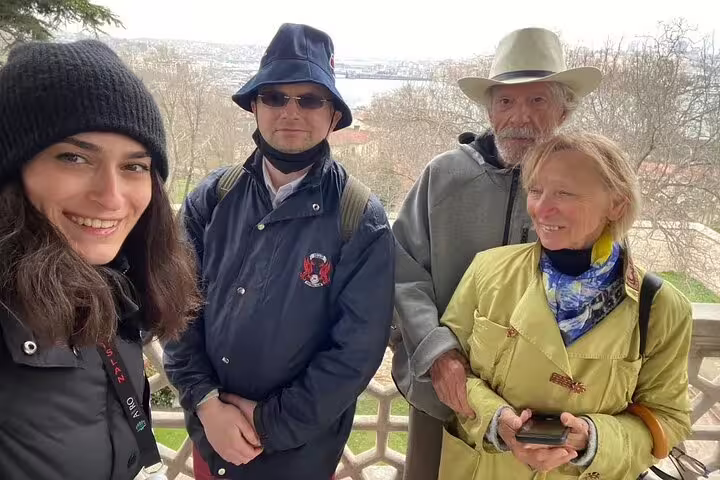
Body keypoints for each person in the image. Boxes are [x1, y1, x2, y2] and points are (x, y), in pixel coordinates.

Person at [163, 23, 395, 480]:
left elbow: (356, 353)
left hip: (299, 455)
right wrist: (207, 404)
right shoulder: (212, 197)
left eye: (310, 99)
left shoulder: (359, 218)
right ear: (255, 106)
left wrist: (268, 425)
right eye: (275, 97)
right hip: (211, 438)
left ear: (333, 116)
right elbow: (174, 309)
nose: (291, 111)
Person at [391, 27, 603, 480]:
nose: (519, 117)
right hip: (445, 393)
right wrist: (438, 355)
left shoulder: (591, 186)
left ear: (564, 111)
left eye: (537, 101)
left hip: (544, 409)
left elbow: (605, 279)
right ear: (489, 110)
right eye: (506, 101)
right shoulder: (443, 177)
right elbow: (402, 271)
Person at [438, 131, 692, 479]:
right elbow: (449, 373)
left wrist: (593, 440)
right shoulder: (488, 271)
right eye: (537, 191)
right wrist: (497, 420)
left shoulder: (662, 308)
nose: (541, 208)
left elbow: (668, 419)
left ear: (616, 204)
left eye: (564, 193)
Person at [0, 40, 200, 480]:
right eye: (73, 158)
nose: (110, 197)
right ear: (14, 171)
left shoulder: (113, 286)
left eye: (134, 166)